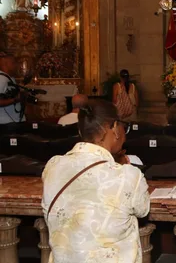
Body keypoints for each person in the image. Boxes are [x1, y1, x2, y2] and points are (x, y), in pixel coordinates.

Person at [41, 99, 150, 262]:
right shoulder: (128, 176)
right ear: (114, 127)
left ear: (80, 131)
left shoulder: (53, 166)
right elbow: (142, 210)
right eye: (123, 127)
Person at [0, 53, 25, 124]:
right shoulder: (1, 79)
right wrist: (15, 100)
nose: (16, 65)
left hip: (11, 121)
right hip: (6, 122)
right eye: (13, 63)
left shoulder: (8, 77)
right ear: (6, 64)